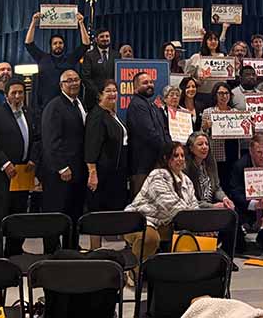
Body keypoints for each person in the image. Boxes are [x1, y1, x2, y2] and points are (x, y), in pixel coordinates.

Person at [124, 142, 200, 280]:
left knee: (197, 235)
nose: (180, 159)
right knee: (150, 238)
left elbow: (194, 206)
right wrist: (195, 222)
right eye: (175, 156)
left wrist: (200, 224)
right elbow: (173, 206)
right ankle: (133, 272)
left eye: (182, 155)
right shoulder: (158, 175)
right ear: (166, 159)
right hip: (139, 221)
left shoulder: (187, 181)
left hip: (165, 223)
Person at [0, 77, 35, 257]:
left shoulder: (29, 113)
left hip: (23, 172)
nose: (18, 96)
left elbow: (36, 139)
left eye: (20, 92)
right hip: (3, 173)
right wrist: (5, 164)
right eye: (13, 93)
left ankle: (14, 249)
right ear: (6, 96)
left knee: (19, 213)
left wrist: (33, 159)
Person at [41, 70, 88, 244]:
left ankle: (71, 251)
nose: (74, 83)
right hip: (60, 172)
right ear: (61, 85)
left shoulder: (79, 103)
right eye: (69, 81)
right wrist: (61, 167)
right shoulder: (54, 106)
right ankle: (52, 255)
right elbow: (50, 141)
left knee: (74, 214)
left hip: (77, 171)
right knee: (55, 215)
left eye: (76, 80)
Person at [184, 131, 239, 259]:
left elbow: (217, 188)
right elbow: (191, 201)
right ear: (191, 148)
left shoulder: (210, 162)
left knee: (233, 215)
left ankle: (227, 258)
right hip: (196, 209)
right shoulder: (186, 168)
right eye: (200, 144)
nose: (204, 147)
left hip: (211, 205)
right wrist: (213, 206)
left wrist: (225, 198)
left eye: (206, 144)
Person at [24, 10, 90, 107]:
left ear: (64, 45)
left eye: (60, 43)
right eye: (55, 43)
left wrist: (81, 23)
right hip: (46, 103)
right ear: (50, 46)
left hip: (68, 102)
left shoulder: (70, 58)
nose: (58, 45)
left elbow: (86, 45)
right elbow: (29, 44)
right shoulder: (42, 57)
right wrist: (33, 22)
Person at [85, 80, 129, 212]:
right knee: (102, 214)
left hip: (117, 172)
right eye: (108, 91)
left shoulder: (112, 114)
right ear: (100, 95)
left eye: (115, 91)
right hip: (103, 174)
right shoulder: (97, 116)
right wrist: (92, 173)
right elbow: (91, 146)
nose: (112, 94)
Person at [127, 72, 171, 194]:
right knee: (142, 204)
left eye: (151, 82)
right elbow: (149, 133)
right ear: (135, 88)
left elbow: (164, 129)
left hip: (156, 163)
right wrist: (166, 150)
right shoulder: (137, 104)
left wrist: (170, 147)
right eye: (145, 83)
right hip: (143, 166)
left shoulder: (152, 105)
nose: (150, 85)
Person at [200, 82, 244, 188]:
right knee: (218, 181)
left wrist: (248, 128)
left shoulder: (236, 112)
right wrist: (205, 128)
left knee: (231, 180)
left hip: (232, 150)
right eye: (220, 93)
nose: (223, 96)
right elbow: (201, 135)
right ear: (215, 95)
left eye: (226, 93)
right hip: (216, 152)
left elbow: (242, 134)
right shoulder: (208, 112)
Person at [81, 27, 116, 106]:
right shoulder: (89, 55)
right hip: (93, 99)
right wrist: (98, 94)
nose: (105, 39)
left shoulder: (116, 55)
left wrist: (110, 93)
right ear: (96, 39)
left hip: (112, 98)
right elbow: (86, 77)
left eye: (107, 36)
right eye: (102, 36)